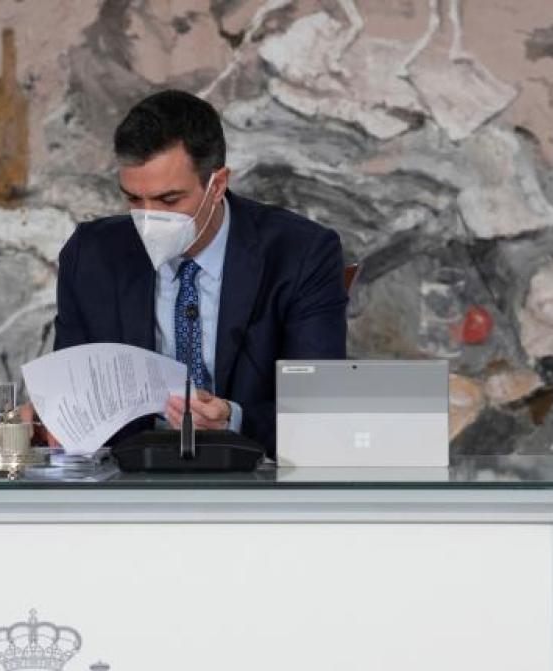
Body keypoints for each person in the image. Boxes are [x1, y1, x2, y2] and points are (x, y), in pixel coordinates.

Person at [28, 90, 347, 455]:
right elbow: (73, 392)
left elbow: (318, 409)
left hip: (254, 475)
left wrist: (232, 420)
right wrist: (45, 417)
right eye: (133, 199)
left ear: (217, 185)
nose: (148, 218)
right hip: (131, 476)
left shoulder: (300, 253)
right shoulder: (91, 255)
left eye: (169, 200)